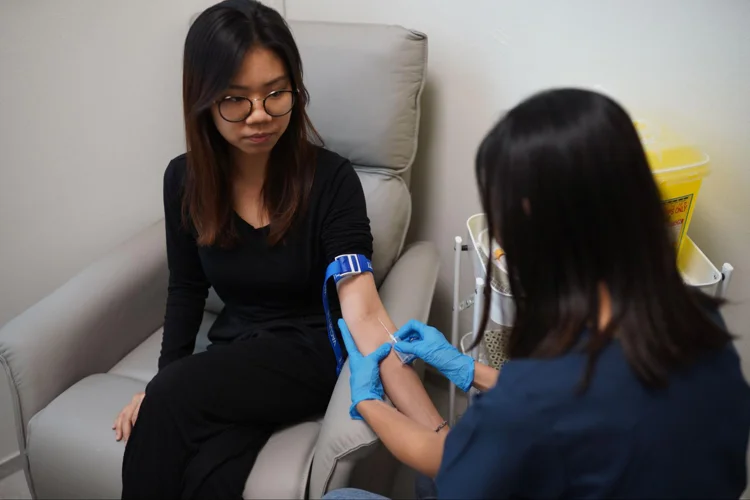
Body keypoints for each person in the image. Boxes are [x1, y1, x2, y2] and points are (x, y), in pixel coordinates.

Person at [327, 88, 750, 499]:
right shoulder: (697, 317)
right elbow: (589, 409)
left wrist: (368, 404)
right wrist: (471, 370)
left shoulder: (535, 398)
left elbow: (460, 460)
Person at [113, 1, 446, 498]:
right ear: (202, 99)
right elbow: (186, 288)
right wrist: (162, 381)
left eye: (276, 94)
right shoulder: (183, 179)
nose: (259, 116)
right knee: (207, 469)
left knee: (173, 404)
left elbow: (364, 311)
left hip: (311, 349)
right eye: (235, 99)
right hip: (237, 347)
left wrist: (440, 434)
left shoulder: (332, 180)